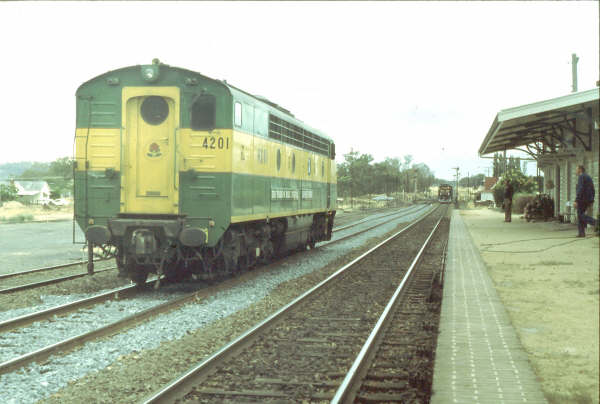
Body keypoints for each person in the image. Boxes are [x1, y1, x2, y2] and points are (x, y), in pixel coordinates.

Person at [574, 165, 597, 237]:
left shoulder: (581, 177)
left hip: (582, 199)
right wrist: (591, 200)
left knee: (580, 215)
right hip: (588, 199)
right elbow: (593, 189)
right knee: (580, 214)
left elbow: (580, 189)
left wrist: (576, 200)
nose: (576, 171)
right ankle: (581, 233)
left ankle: (596, 222)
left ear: (580, 170)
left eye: (576, 169)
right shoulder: (588, 177)